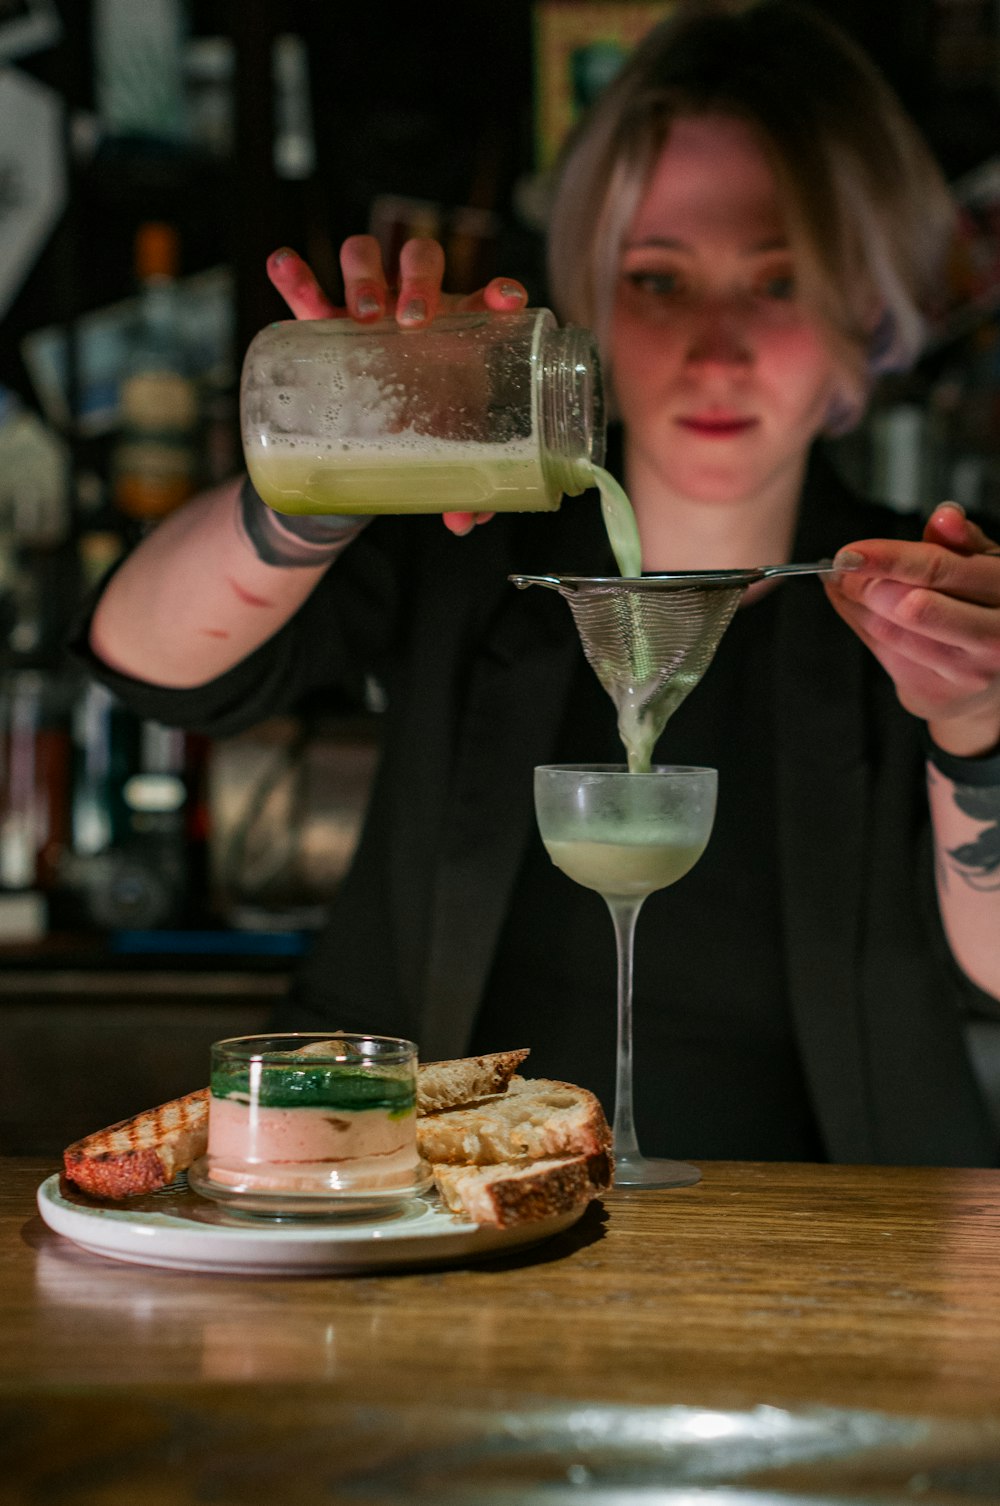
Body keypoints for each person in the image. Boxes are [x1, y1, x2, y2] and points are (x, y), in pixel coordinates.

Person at [79, 0, 1000, 1166]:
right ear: (594, 296)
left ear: (866, 311)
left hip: (832, 1267)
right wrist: (330, 465)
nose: (715, 347)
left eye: (777, 283)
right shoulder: (464, 544)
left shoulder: (944, 593)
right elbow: (146, 663)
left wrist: (976, 721)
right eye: (659, 279)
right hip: (415, 1239)